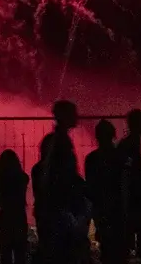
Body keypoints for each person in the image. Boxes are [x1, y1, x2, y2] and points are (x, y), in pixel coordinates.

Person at [32, 100, 87, 264]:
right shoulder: (59, 142)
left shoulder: (55, 140)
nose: (76, 117)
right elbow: (61, 176)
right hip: (59, 209)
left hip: (54, 208)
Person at [86, 119, 128, 264]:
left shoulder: (92, 159)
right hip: (120, 210)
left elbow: (91, 188)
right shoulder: (120, 157)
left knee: (107, 251)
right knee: (120, 252)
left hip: (102, 211)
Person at [123, 110, 141, 261]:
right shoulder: (132, 143)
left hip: (132, 199)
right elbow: (128, 174)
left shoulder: (131, 142)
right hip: (133, 200)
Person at [0, 150, 29, 264]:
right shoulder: (23, 178)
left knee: (5, 254)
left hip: (5, 217)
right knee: (20, 253)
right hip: (19, 216)